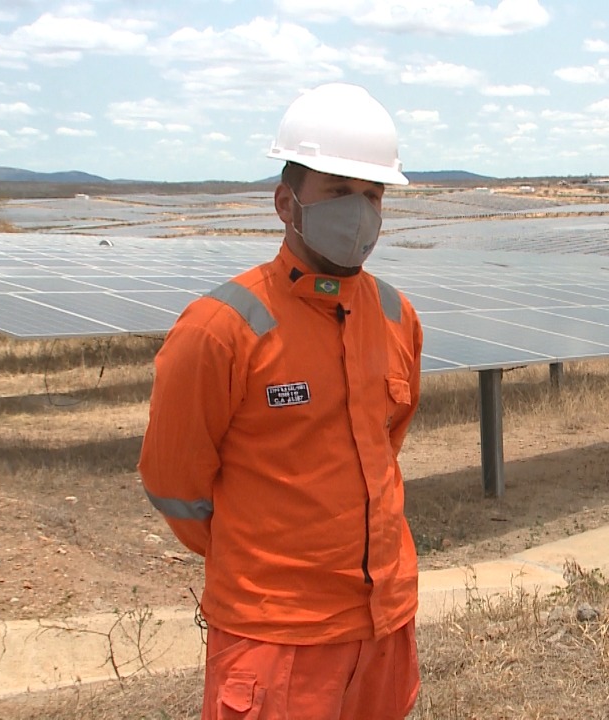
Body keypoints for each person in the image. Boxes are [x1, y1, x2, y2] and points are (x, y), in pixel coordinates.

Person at [139, 82, 424, 720]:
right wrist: (263, 556)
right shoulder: (220, 329)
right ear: (285, 203)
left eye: (373, 195)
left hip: (384, 627)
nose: (359, 212)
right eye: (338, 191)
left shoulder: (395, 315)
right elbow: (175, 484)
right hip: (275, 641)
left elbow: (383, 449)